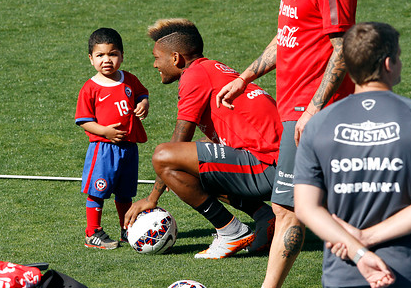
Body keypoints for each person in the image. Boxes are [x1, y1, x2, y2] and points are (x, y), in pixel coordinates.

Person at [213, 0, 357, 288]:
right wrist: (244, 77)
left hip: (313, 112)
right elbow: (288, 35)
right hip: (295, 108)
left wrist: (314, 108)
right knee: (332, 206)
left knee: (288, 208)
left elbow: (343, 48)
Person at [294, 22, 411, 288]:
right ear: (388, 64)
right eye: (398, 56)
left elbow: (305, 208)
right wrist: (366, 238)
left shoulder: (318, 126)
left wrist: (357, 250)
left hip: (344, 274)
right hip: (405, 272)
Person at [124, 18, 282, 259]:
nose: (155, 64)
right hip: (282, 164)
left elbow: (178, 140)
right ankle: (263, 217)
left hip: (270, 167)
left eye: (157, 57)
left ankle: (230, 232)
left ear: (176, 58)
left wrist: (151, 198)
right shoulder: (212, 68)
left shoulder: (194, 75)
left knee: (164, 156)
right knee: (194, 156)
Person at [75, 27, 149, 249]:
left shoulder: (130, 80)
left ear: (122, 56)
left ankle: (127, 230)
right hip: (104, 149)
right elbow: (83, 120)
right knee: (98, 190)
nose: (106, 60)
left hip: (128, 148)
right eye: (100, 55)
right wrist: (105, 131)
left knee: (124, 193)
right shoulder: (90, 88)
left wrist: (144, 103)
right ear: (91, 59)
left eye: (112, 54)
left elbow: (142, 93)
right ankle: (92, 233)